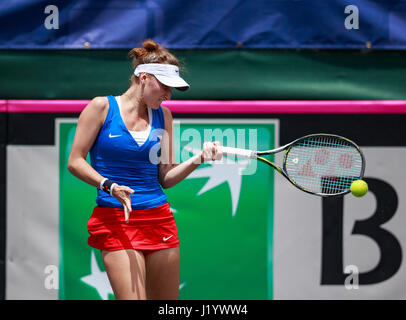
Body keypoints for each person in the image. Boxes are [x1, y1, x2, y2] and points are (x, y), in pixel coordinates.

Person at [67, 39, 222, 300]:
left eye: (172, 91)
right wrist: (110, 186)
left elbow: (166, 177)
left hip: (159, 219)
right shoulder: (101, 108)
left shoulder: (165, 116)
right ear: (145, 78)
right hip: (116, 218)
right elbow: (75, 161)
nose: (169, 96)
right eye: (165, 87)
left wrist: (199, 158)